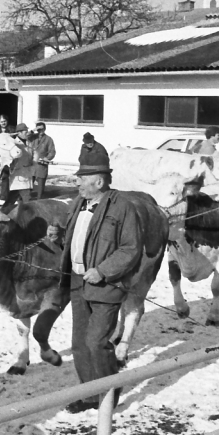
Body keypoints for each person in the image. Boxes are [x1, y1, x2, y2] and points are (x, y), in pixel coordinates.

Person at [59, 144, 142, 413]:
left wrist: (103, 270)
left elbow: (130, 248)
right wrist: (57, 237)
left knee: (96, 342)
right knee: (80, 345)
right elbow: (78, 241)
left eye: (82, 179)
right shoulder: (78, 204)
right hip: (77, 283)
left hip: (105, 285)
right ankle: (91, 395)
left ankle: (109, 394)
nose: (77, 183)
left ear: (99, 180)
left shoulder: (123, 207)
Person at [2, 123, 36, 213]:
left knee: (13, 197)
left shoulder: (29, 143)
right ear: (19, 133)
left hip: (27, 174)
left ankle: (4, 212)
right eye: (25, 131)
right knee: (26, 199)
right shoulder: (14, 144)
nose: (27, 133)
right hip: (18, 175)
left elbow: (32, 155)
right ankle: (29, 216)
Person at [31, 120, 56, 200]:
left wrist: (47, 158)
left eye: (42, 129)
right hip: (32, 164)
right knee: (28, 184)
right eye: (38, 129)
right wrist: (33, 130)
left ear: (44, 129)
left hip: (42, 165)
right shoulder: (32, 137)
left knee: (40, 187)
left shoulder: (48, 139)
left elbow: (52, 152)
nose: (40, 131)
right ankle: (26, 200)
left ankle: (39, 201)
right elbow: (25, 137)